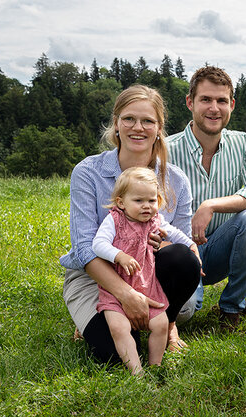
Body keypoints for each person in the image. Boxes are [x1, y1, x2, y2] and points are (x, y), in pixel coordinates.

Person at [60, 84, 202, 364]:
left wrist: (164, 242)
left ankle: (168, 324)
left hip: (150, 273)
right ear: (116, 124)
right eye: (129, 119)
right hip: (96, 276)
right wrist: (126, 295)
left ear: (159, 128)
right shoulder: (88, 172)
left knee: (182, 259)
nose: (138, 127)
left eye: (148, 121)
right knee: (113, 355)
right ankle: (92, 314)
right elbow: (85, 250)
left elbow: (182, 244)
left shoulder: (176, 181)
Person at [165, 66, 246, 325]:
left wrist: (212, 205)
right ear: (190, 102)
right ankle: (188, 295)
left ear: (232, 105)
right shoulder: (166, 150)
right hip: (179, 253)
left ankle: (232, 308)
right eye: (205, 99)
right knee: (182, 315)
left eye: (221, 101)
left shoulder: (243, 143)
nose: (214, 108)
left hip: (221, 249)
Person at [92, 166, 201, 374]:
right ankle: (136, 372)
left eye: (151, 201)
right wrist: (119, 255)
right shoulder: (114, 220)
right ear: (121, 202)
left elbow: (176, 234)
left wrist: (192, 246)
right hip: (117, 288)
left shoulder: (155, 222)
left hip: (147, 286)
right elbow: (98, 244)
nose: (146, 206)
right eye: (138, 201)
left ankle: (156, 366)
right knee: (119, 328)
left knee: (160, 325)